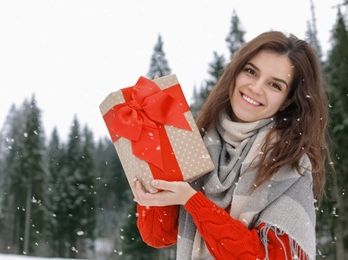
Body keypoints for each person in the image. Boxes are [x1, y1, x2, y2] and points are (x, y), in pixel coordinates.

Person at [132, 30, 330, 260]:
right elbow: (159, 236)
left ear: (288, 100)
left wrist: (193, 201)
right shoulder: (199, 143)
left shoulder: (290, 165)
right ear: (235, 73)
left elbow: (266, 256)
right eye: (251, 72)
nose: (256, 88)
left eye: (274, 85)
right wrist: (151, 192)